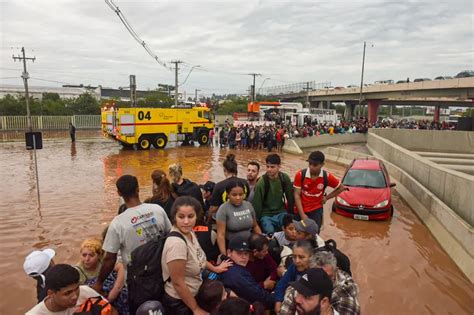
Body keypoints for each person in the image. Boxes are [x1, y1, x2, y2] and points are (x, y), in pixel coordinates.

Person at [92, 175, 172, 302]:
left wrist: (99, 282)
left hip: (137, 279)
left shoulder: (117, 223)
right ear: (138, 189)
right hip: (163, 271)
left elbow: (109, 259)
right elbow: (171, 236)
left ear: (119, 193)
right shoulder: (157, 210)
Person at [161, 196, 232, 315]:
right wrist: (195, 309)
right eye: (181, 217)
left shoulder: (190, 232)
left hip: (195, 291)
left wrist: (216, 269)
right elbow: (177, 282)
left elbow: (199, 257)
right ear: (174, 217)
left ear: (196, 216)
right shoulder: (176, 244)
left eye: (190, 216)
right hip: (180, 302)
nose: (186, 221)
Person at [280, 252, 359, 315]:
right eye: (316, 275)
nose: (321, 280)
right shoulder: (299, 287)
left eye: (327, 277)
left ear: (336, 271)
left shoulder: (345, 293)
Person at [26, 263, 116, 315]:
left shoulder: (85, 292)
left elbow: (113, 311)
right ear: (51, 294)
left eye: (76, 289)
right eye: (67, 293)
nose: (75, 296)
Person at [293, 151, 346, 229]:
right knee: (298, 233)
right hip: (301, 209)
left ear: (322, 165)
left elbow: (341, 188)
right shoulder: (300, 175)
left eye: (315, 165)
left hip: (316, 210)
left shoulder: (327, 177)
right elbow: (296, 195)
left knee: (314, 235)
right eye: (310, 164)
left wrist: (326, 198)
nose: (311, 167)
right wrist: (302, 215)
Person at [220, 235, 275, 309]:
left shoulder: (227, 266)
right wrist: (275, 299)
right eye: (239, 253)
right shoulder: (237, 275)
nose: (244, 257)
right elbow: (257, 295)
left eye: (246, 253)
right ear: (229, 252)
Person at [75, 237, 128, 314]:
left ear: (99, 256)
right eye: (84, 255)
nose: (87, 259)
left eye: (91, 255)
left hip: (114, 295)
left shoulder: (103, 262)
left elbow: (121, 267)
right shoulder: (78, 272)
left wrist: (115, 290)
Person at [252, 154, 294, 234]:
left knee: (290, 230)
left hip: (281, 212)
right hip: (266, 215)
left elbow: (290, 198)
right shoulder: (262, 182)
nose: (269, 169)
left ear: (279, 166)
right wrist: (256, 223)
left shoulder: (284, 178)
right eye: (267, 166)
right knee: (270, 232)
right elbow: (257, 204)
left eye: (272, 167)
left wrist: (291, 215)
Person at [216, 181, 262, 255]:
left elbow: (255, 226)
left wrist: (262, 240)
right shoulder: (223, 209)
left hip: (250, 244)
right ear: (228, 195)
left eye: (241, 195)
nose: (238, 198)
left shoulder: (248, 205)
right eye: (234, 195)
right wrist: (224, 255)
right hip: (234, 247)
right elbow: (220, 235)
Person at [274, 240, 314, 313]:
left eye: (301, 257)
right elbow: (282, 284)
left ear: (311, 257)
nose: (297, 261)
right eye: (294, 257)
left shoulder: (316, 273)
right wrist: (278, 301)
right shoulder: (294, 267)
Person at [208, 154, 250, 223]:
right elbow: (246, 199)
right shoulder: (245, 183)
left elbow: (213, 208)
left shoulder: (219, 186)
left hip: (227, 219)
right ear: (236, 169)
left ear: (224, 170)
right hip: (243, 216)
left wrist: (207, 221)